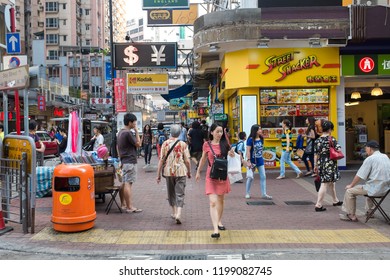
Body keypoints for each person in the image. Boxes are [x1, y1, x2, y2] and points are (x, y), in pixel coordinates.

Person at [195, 123, 235, 239]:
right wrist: (198, 172)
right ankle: (215, 229)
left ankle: (219, 221)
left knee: (221, 200)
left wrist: (232, 154)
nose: (219, 134)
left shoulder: (225, 144)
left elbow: (232, 154)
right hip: (211, 176)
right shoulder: (206, 145)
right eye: (217, 131)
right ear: (211, 132)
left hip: (221, 176)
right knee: (213, 202)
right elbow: (203, 159)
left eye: (221, 132)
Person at [340, 140, 390, 222]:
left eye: (366, 148)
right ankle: (370, 211)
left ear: (370, 148)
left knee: (350, 191)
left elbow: (360, 175)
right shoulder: (385, 157)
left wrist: (351, 185)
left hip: (375, 189)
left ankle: (351, 215)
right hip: (386, 189)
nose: (365, 150)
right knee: (368, 185)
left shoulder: (370, 159)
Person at [156, 124, 191, 224]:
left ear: (170, 132)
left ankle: (174, 212)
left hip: (168, 172)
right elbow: (187, 161)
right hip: (181, 171)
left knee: (171, 192)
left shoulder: (165, 144)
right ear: (180, 133)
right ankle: (179, 213)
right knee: (180, 193)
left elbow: (161, 160)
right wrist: (189, 172)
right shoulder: (183, 144)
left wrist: (158, 175)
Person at [313, 120, 343, 212]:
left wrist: (315, 165)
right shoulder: (331, 139)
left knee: (331, 182)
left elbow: (316, 154)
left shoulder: (317, 140)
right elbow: (339, 149)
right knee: (325, 183)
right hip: (330, 163)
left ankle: (335, 200)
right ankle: (318, 205)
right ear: (329, 129)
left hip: (321, 163)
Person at [116, 113, 143, 213]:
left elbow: (117, 147)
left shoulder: (120, 132)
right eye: (134, 122)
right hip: (130, 161)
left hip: (123, 161)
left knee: (123, 183)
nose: (135, 124)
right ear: (130, 122)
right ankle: (129, 207)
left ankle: (123, 204)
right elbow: (138, 144)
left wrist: (120, 159)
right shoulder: (128, 133)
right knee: (128, 183)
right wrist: (136, 132)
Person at [245, 125, 271, 199]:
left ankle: (264, 194)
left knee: (263, 176)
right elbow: (248, 151)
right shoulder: (250, 140)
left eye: (261, 129)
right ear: (255, 130)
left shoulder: (261, 138)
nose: (261, 130)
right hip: (252, 161)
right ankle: (247, 193)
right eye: (259, 129)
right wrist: (248, 160)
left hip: (260, 160)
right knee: (250, 177)